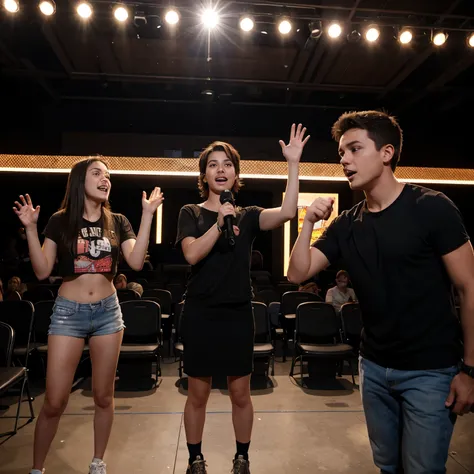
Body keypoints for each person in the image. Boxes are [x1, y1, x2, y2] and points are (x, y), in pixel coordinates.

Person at [287, 110, 474, 474]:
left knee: (421, 469)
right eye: (341, 152)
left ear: (386, 153)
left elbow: (470, 288)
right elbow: (297, 273)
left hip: (431, 371)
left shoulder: (432, 208)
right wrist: (307, 220)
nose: (344, 159)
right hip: (373, 368)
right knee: (387, 466)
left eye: (355, 149)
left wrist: (470, 369)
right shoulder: (346, 224)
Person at [13, 156, 163, 474]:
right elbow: (41, 271)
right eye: (97, 173)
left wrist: (148, 215)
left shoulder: (118, 221)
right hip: (68, 313)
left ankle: (97, 462)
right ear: (81, 181)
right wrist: (30, 228)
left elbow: (136, 262)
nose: (105, 179)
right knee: (55, 401)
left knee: (103, 396)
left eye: (108, 175)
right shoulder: (60, 221)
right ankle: (37, 469)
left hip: (108, 314)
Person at [176, 124, 309, 474]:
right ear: (204, 174)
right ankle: (195, 459)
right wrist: (219, 224)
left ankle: (242, 458)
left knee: (240, 395)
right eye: (213, 164)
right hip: (201, 313)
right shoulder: (191, 213)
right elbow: (191, 255)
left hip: (238, 313)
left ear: (236, 174)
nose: (221, 169)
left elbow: (287, 212)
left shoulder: (248, 215)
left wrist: (293, 165)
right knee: (198, 396)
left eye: (228, 164)